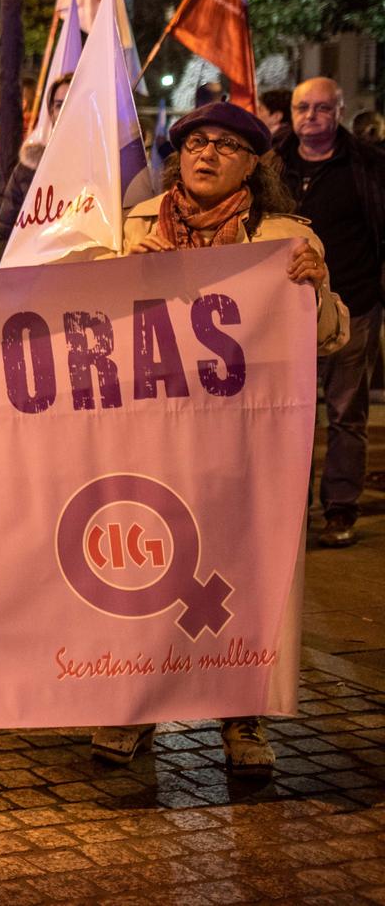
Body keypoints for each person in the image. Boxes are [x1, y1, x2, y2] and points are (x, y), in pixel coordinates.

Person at [92, 101, 345, 779]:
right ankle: (132, 704)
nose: (207, 154)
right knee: (143, 566)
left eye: (226, 145)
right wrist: (115, 271)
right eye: (197, 142)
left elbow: (331, 336)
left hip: (243, 445)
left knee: (241, 572)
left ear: (255, 162)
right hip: (149, 435)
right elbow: (84, 321)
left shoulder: (285, 236)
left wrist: (313, 291)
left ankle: (243, 718)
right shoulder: (131, 226)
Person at [277, 77, 385, 547]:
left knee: (345, 414)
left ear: (339, 110)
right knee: (289, 414)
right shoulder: (271, 163)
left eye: (322, 108)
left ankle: (340, 509)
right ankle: (289, 511)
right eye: (303, 107)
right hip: (286, 313)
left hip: (355, 307)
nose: (311, 116)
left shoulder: (368, 166)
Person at [0, 72, 72, 261]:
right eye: (58, 105)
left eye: (71, 102)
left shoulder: (103, 168)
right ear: (51, 112)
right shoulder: (26, 171)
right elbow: (1, 238)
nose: (64, 110)